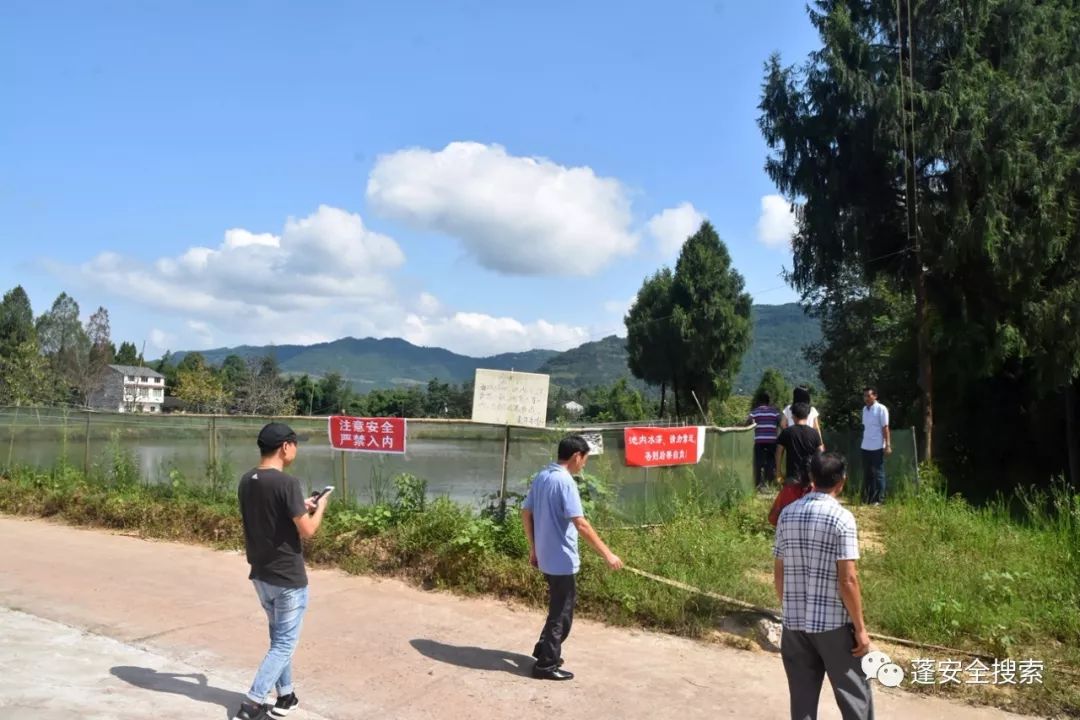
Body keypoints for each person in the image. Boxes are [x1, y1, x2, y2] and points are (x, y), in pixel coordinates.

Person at [233, 422, 330, 720]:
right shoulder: (286, 483)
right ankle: (252, 703)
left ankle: (285, 696)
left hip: (261, 575)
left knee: (279, 641)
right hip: (288, 577)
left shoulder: (247, 480)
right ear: (285, 447)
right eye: (295, 444)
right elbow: (309, 530)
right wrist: (321, 505)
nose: (296, 450)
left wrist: (300, 505)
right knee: (285, 644)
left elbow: (270, 515)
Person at [774, 452, 873, 720]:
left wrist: (789, 609)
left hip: (794, 625)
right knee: (855, 697)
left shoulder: (787, 515)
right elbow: (848, 579)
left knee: (802, 701)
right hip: (833, 627)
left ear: (811, 478)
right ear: (842, 481)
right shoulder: (841, 518)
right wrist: (861, 630)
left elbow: (779, 571)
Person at [521, 435, 623, 680]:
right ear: (577, 456)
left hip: (546, 557)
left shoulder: (543, 476)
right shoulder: (565, 482)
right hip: (561, 561)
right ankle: (546, 665)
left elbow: (526, 512)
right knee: (562, 614)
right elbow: (581, 524)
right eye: (585, 459)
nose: (585, 464)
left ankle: (543, 649)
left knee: (558, 608)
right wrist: (608, 554)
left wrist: (534, 548)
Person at [770, 402, 823, 526]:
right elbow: (821, 452)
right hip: (810, 478)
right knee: (809, 508)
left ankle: (788, 527)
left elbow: (779, 452)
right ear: (808, 415)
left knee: (787, 509)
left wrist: (778, 471)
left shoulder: (787, 432)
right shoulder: (814, 433)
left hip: (792, 477)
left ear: (793, 416)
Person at [860, 387, 891, 505]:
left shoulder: (881, 409)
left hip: (877, 445)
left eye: (868, 396)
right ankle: (868, 498)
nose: (866, 398)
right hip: (865, 445)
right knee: (867, 473)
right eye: (865, 396)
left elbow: (885, 428)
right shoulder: (864, 409)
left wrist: (887, 445)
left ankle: (880, 499)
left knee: (878, 474)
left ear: (875, 396)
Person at [746, 392, 782, 491]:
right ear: (768, 401)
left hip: (759, 441)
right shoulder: (774, 412)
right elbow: (781, 422)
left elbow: (748, 422)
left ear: (758, 401)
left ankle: (757, 483)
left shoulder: (755, 412)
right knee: (770, 461)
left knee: (758, 462)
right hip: (772, 441)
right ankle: (769, 482)